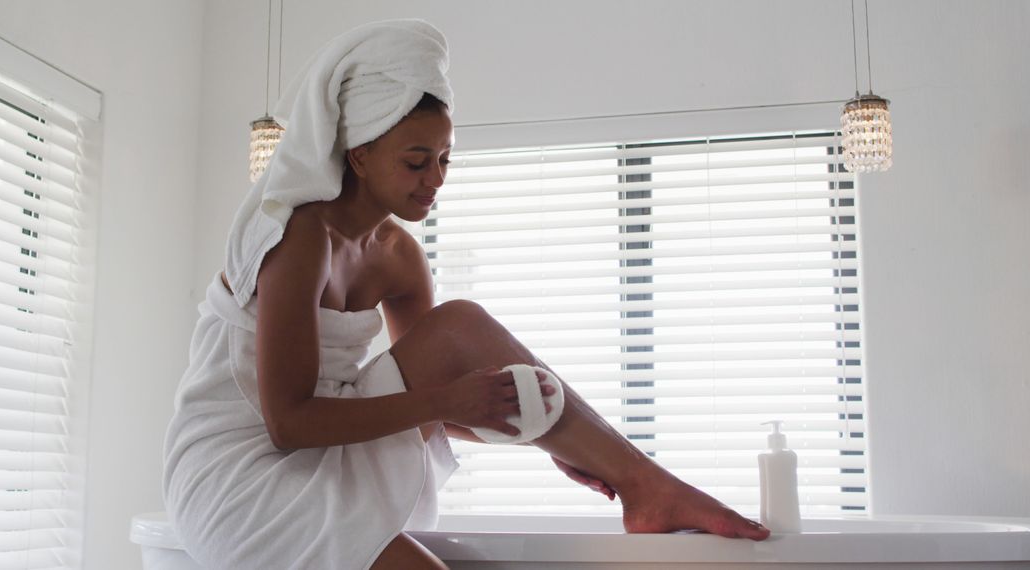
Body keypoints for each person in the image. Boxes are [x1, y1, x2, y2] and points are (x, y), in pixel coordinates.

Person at [162, 19, 769, 570]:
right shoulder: (300, 238)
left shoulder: (398, 256)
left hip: (326, 449)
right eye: (417, 161)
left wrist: (539, 429)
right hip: (242, 477)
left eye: (446, 158)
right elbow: (289, 422)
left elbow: (431, 408)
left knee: (459, 327)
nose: (436, 179)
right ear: (361, 153)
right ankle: (647, 486)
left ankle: (643, 485)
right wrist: (464, 406)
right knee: (457, 335)